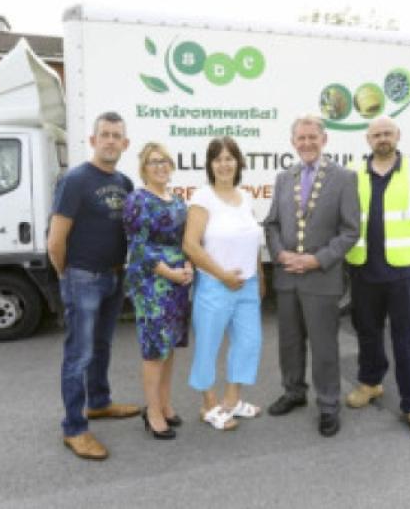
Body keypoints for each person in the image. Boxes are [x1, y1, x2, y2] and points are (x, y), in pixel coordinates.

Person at [344, 115, 410, 443]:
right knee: (367, 333)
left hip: (404, 273)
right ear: (368, 140)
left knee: (409, 339)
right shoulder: (354, 173)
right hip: (363, 270)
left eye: (387, 133)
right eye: (376, 135)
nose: (382, 138)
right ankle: (371, 383)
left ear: (397, 136)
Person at [47, 111, 140, 460]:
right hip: (83, 276)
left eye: (117, 135)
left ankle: (99, 403)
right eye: (105, 134)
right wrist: (66, 274)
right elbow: (56, 239)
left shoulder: (125, 183)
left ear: (125, 143)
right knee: (79, 354)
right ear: (93, 140)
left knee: (101, 346)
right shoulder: (75, 180)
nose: (111, 140)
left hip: (116, 275)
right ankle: (74, 428)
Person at [264, 115, 360, 437]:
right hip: (287, 276)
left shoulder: (344, 178)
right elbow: (272, 224)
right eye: (300, 138)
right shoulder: (283, 178)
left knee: (323, 346)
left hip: (322, 277)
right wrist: (280, 254)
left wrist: (317, 260)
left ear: (324, 140)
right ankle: (294, 392)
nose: (306, 143)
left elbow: (350, 231)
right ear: (293, 142)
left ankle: (329, 404)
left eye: (312, 137)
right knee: (289, 342)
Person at [183, 137, 265, 431]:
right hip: (215, 286)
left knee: (249, 343)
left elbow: (253, 244)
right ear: (210, 165)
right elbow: (191, 246)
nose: (224, 164)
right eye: (218, 159)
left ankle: (231, 401)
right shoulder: (202, 198)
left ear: (239, 162)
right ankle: (208, 405)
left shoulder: (246, 197)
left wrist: (260, 279)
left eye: (230, 158)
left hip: (247, 286)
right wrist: (222, 275)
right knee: (208, 345)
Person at [122, 143, 193, 440]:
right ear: (143, 168)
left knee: (169, 346)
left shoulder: (177, 201)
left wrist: (188, 264)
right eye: (153, 162)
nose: (160, 166)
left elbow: (187, 238)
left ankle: (165, 404)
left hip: (178, 281)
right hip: (153, 284)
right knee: (154, 350)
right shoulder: (137, 200)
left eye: (164, 160)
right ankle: (151, 412)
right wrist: (170, 272)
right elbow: (138, 247)